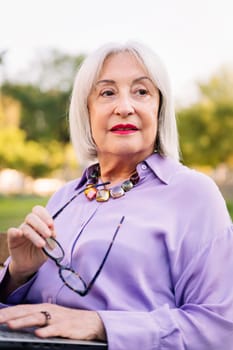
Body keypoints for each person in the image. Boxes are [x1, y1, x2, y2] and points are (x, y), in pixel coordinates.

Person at [0, 41, 233, 350]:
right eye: (107, 93)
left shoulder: (195, 195)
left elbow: (219, 328)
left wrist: (101, 324)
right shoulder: (62, 198)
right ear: (87, 111)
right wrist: (19, 274)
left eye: (142, 92)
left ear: (159, 108)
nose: (125, 107)